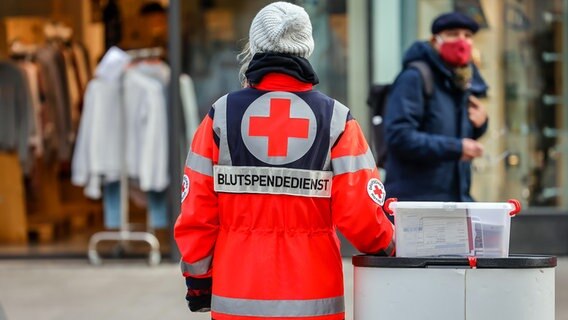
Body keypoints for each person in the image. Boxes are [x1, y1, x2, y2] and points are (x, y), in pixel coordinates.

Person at [174, 2, 395, 320]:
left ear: (255, 45)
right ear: (307, 47)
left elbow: (197, 211)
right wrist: (389, 242)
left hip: (237, 297)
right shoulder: (336, 120)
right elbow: (360, 215)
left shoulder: (221, 116)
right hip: (314, 298)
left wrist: (198, 280)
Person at [383, 12, 488, 202]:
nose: (461, 41)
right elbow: (399, 136)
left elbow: (446, 130)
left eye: (467, 36)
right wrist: (456, 148)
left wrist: (480, 124)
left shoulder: (462, 81)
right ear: (434, 40)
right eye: (453, 34)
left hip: (454, 201)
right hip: (416, 204)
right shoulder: (415, 77)